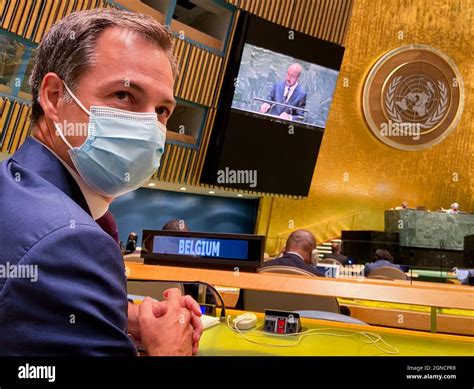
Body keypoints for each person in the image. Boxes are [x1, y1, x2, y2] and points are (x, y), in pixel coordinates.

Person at [0, 8, 203, 356]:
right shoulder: (69, 240)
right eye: (124, 96)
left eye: (161, 111)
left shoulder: (13, 186)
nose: (148, 127)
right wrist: (171, 351)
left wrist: (116, 316)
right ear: (53, 97)